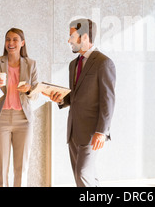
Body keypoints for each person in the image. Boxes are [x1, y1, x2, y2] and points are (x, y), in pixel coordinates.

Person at [43, 18, 116, 187]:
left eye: (72, 36)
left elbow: (108, 100)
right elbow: (74, 97)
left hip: (92, 131)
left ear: (84, 37)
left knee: (82, 174)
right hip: (74, 130)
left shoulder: (104, 63)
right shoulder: (73, 64)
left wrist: (102, 131)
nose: (68, 40)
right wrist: (60, 98)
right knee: (86, 174)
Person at [0, 28, 39, 187]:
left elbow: (36, 94)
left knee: (21, 167)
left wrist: (30, 89)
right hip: (0, 119)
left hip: (23, 120)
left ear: (22, 43)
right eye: (8, 39)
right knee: (0, 167)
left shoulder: (31, 64)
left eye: (15, 39)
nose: (11, 43)